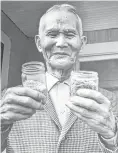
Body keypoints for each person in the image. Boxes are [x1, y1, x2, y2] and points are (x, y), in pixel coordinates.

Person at [1, 4, 118, 153]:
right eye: (52, 34)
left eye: (69, 35)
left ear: (82, 43)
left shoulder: (111, 102)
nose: (61, 43)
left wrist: (112, 136)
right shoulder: (7, 101)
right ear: (38, 43)